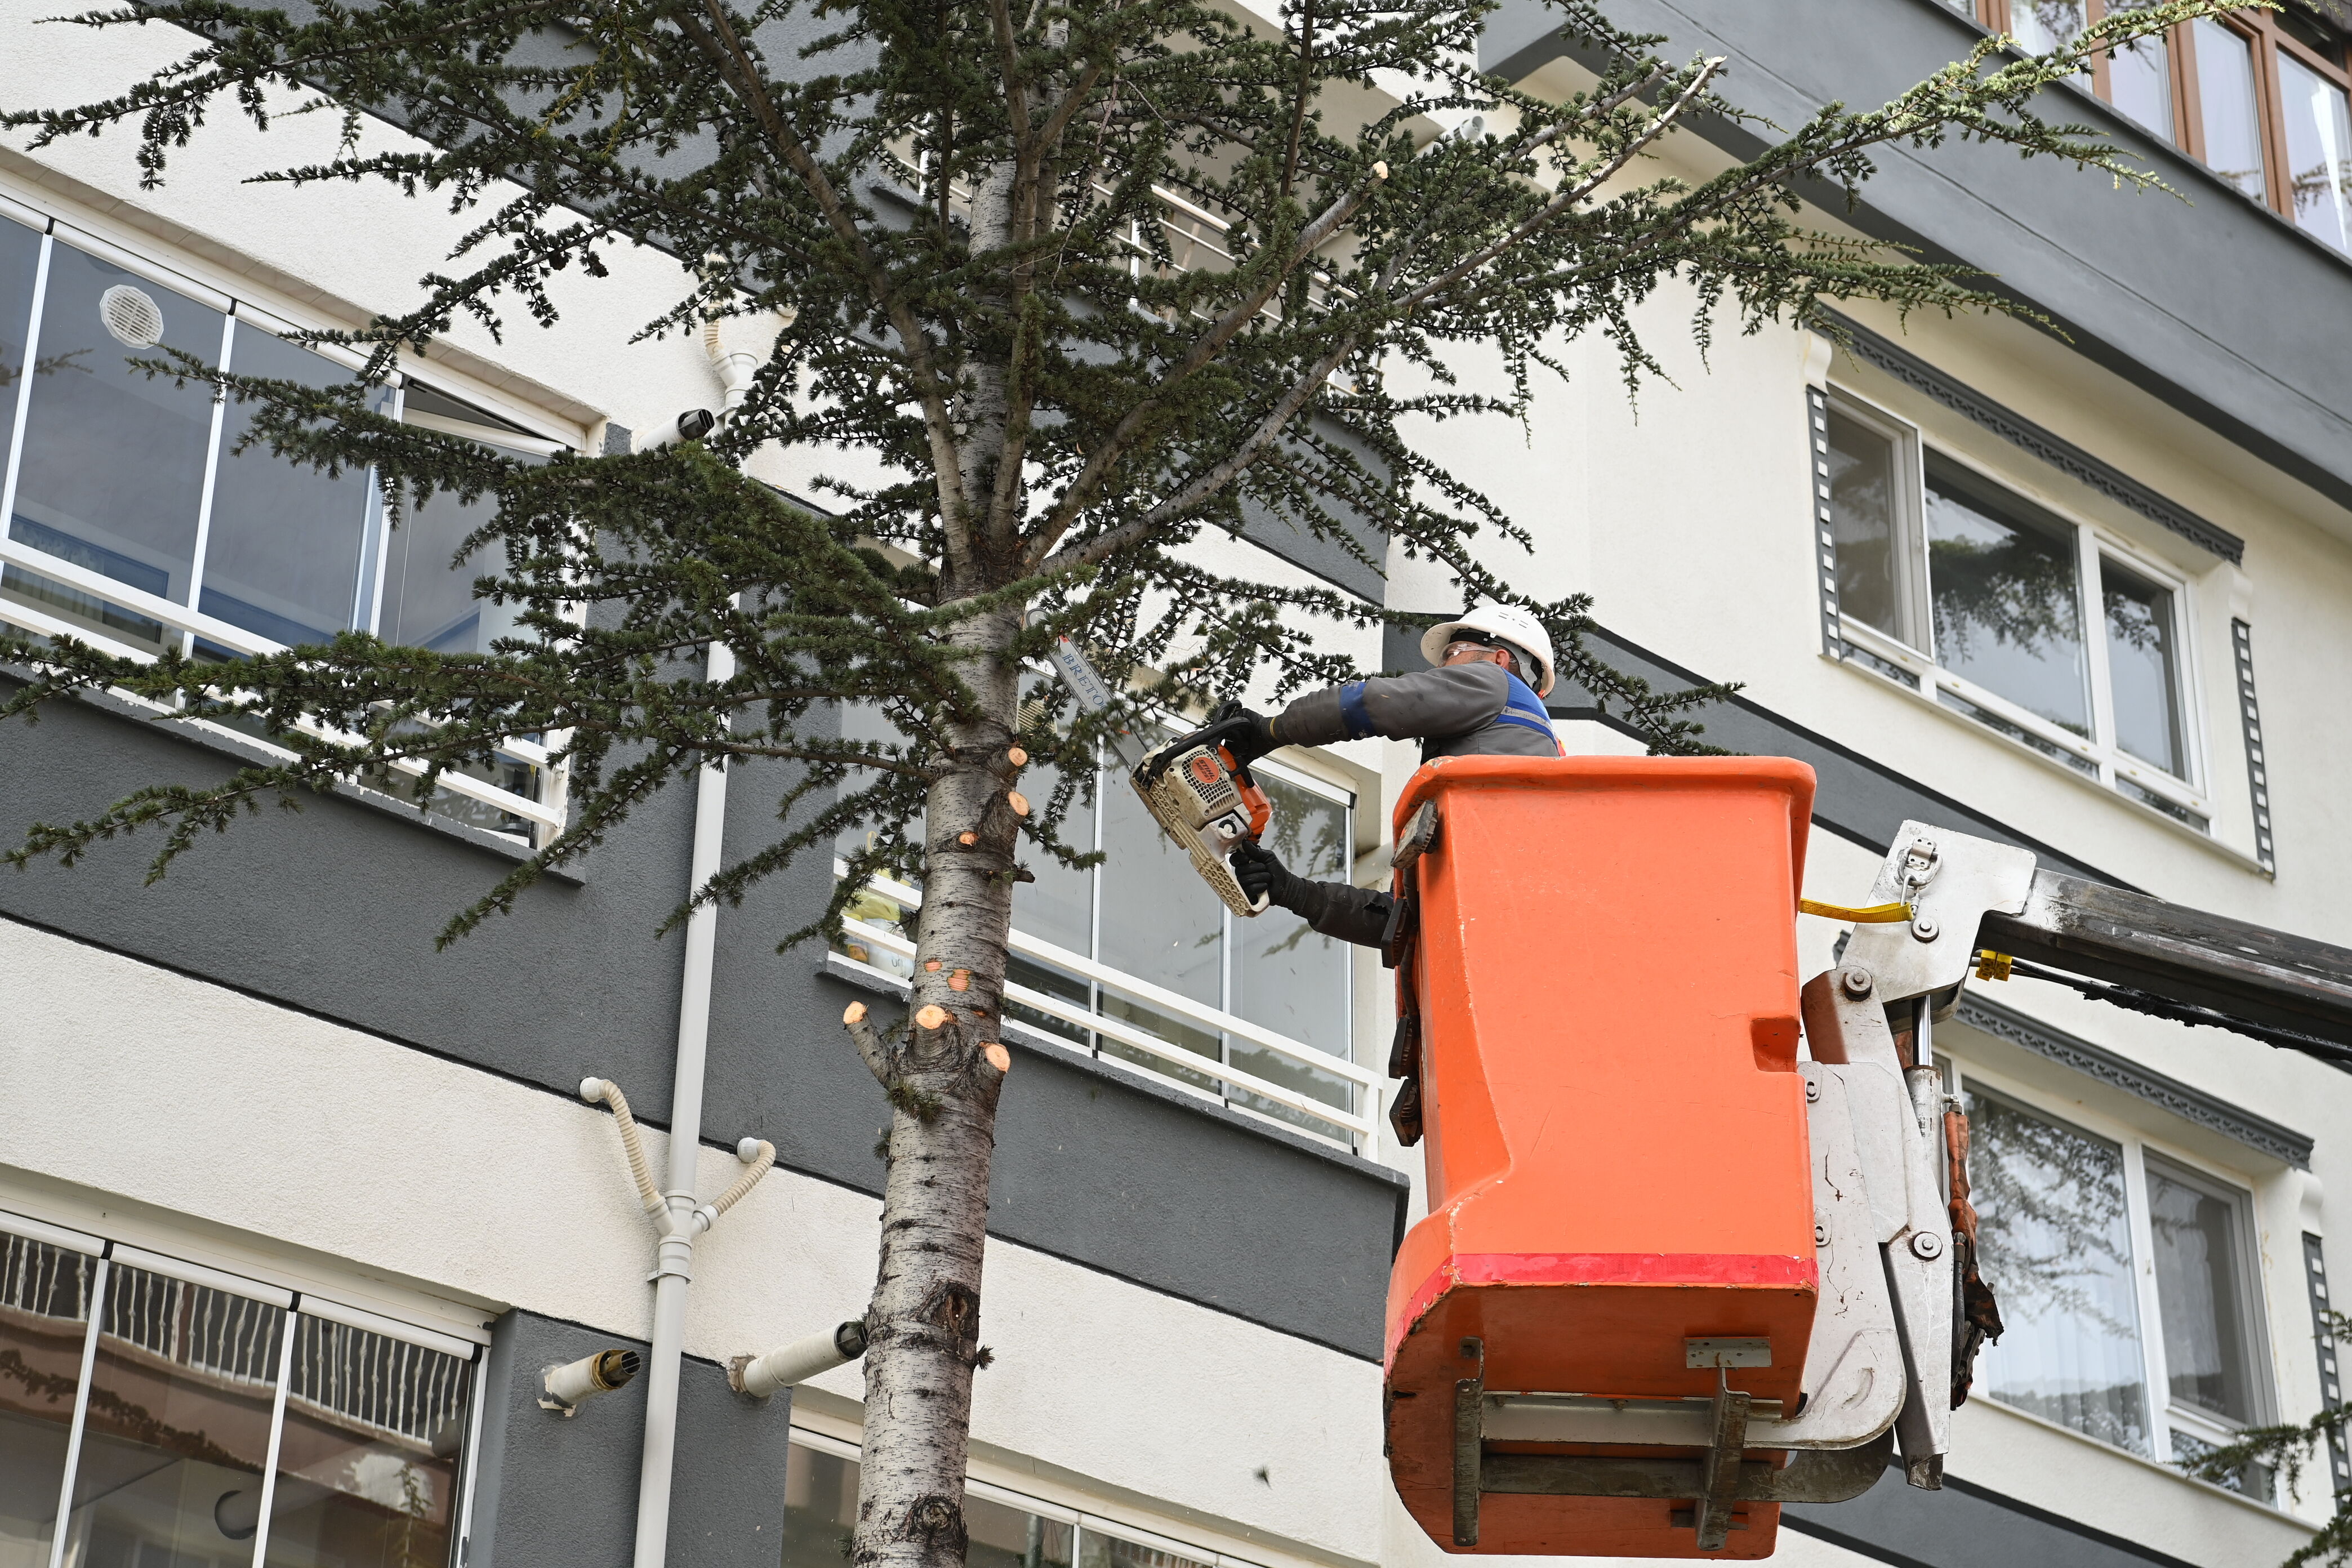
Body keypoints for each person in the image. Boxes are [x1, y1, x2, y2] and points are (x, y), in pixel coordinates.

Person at [1151, 601, 1562, 947]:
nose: (1443, 670)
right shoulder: (1496, 835)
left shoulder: (1497, 685)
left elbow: (1379, 703)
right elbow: (1405, 925)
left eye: (1453, 655)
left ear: (1501, 658)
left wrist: (1270, 730)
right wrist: (1294, 892)